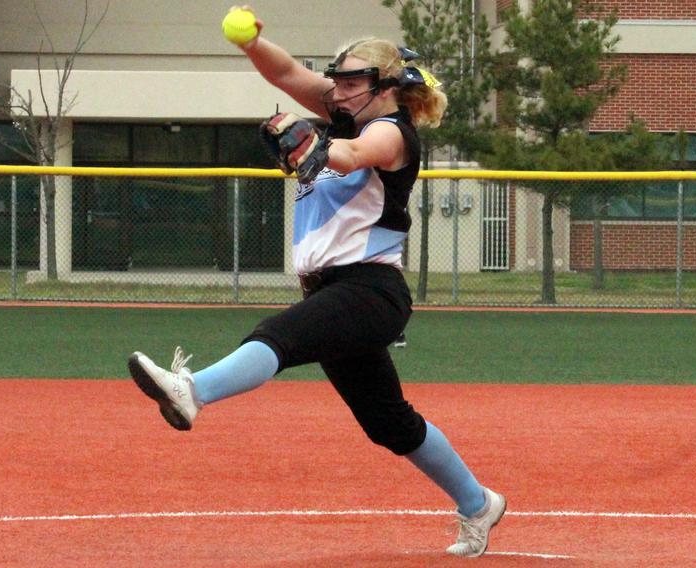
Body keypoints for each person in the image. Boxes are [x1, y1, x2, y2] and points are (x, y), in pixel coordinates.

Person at [127, 5, 505, 557]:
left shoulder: (391, 131)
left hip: (371, 289)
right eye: (338, 78)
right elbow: (284, 75)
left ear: (384, 86)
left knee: (276, 335)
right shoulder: (344, 113)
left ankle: (193, 391)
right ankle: (478, 504)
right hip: (334, 292)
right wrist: (253, 43)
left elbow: (354, 157)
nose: (339, 88)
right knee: (388, 424)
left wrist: (316, 148)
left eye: (352, 79)